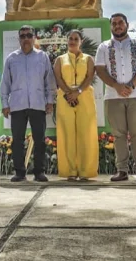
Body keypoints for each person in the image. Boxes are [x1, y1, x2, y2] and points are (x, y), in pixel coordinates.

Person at [94, 13, 136, 182]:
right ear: (111, 26)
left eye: (120, 23)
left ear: (127, 24)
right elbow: (100, 69)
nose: (117, 26)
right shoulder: (104, 47)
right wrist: (117, 86)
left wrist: (131, 85)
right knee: (119, 135)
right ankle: (122, 170)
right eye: (114, 24)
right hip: (113, 96)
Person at [0, 25, 56, 182]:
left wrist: (50, 101)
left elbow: (49, 80)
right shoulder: (11, 58)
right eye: (22, 36)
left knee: (39, 139)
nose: (26, 39)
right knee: (17, 140)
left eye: (29, 35)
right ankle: (19, 172)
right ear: (19, 39)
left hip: (38, 104)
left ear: (34, 38)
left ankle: (39, 172)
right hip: (17, 105)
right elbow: (5, 83)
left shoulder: (42, 57)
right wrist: (5, 103)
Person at [53, 30, 98, 180]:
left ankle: (85, 171)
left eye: (75, 39)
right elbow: (58, 77)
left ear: (81, 41)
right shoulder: (60, 59)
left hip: (84, 96)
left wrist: (77, 91)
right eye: (70, 39)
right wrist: (68, 93)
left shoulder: (88, 59)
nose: (72, 41)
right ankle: (71, 171)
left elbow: (90, 77)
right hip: (65, 98)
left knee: (85, 133)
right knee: (68, 134)